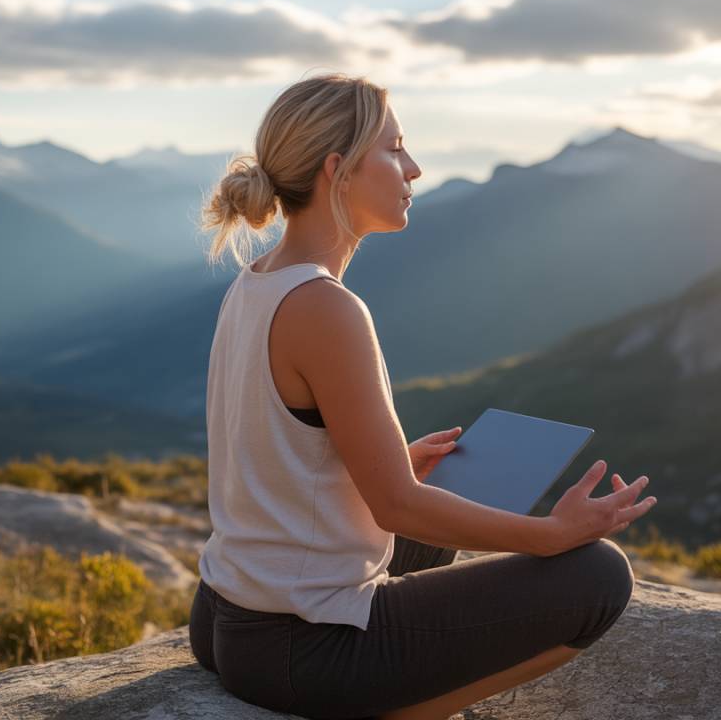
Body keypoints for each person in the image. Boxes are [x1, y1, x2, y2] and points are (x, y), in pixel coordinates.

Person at [189, 72, 658, 720]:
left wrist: (381, 464)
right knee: (599, 578)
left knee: (446, 516)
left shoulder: (256, 282)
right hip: (299, 646)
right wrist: (549, 536)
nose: (413, 167)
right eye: (395, 148)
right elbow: (397, 507)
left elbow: (270, 449)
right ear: (339, 171)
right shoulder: (326, 308)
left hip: (226, 613)